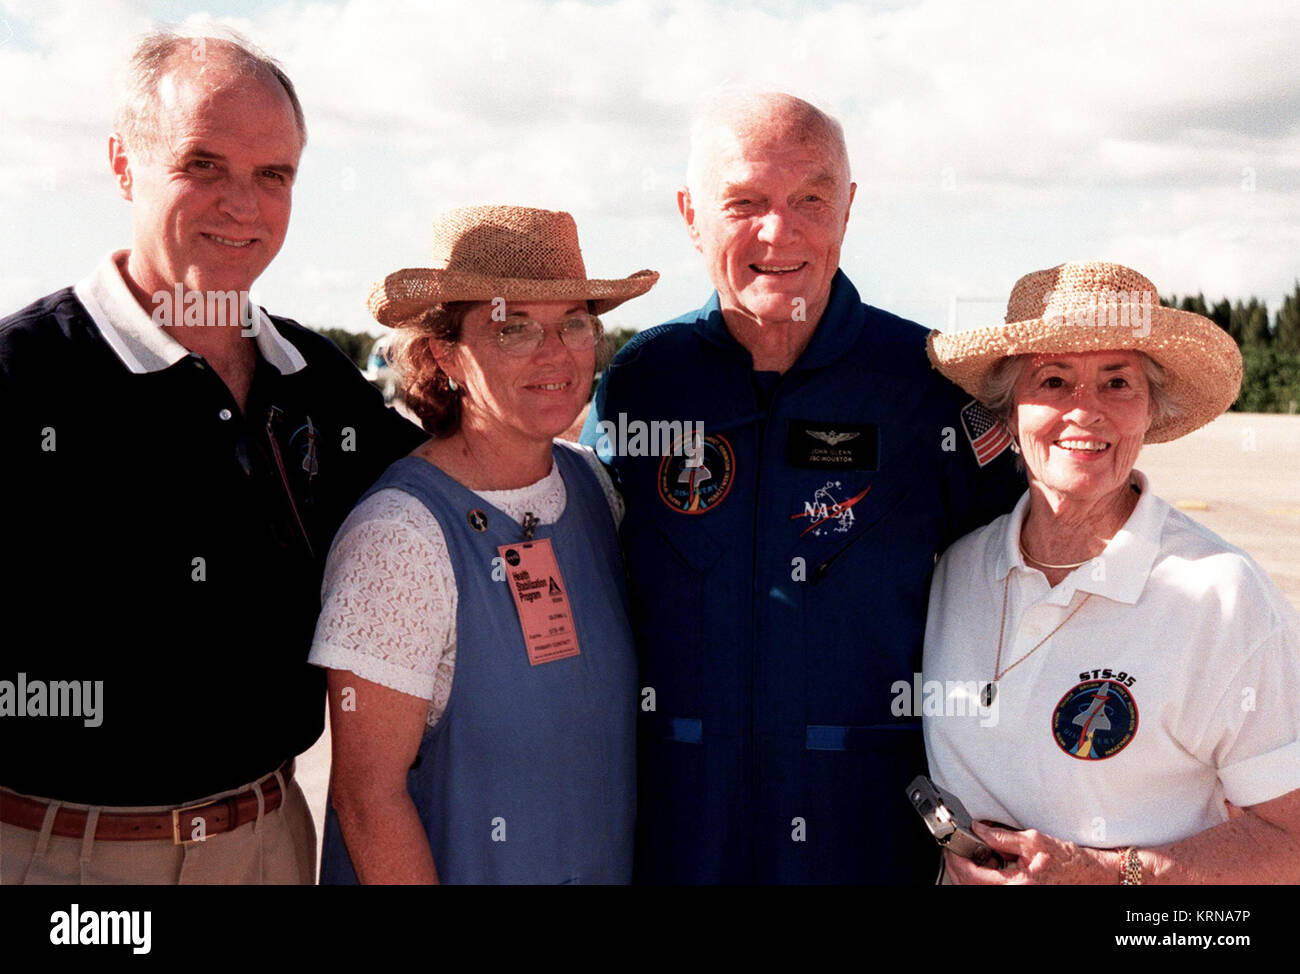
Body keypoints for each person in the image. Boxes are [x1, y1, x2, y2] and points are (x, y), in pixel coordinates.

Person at [0, 29, 425, 885]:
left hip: (273, 843)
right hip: (63, 864)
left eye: (274, 175)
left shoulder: (318, 381)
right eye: (204, 164)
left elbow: (451, 491)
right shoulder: (19, 378)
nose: (244, 204)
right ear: (123, 166)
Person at [580, 91, 1024, 883]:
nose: (778, 233)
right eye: (744, 203)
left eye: (809, 200)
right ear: (690, 214)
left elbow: (1022, 588)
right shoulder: (643, 384)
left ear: (847, 209)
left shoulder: (926, 386)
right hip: (676, 835)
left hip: (866, 838)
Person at [923, 260, 1300, 884]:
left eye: (1117, 382)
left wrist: (1111, 875)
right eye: (1053, 379)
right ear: (1010, 410)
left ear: (1151, 409)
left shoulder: (1223, 596)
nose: (1084, 411)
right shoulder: (955, 572)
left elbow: (1290, 844)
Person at [312, 205, 658, 884]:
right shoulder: (399, 539)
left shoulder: (592, 487)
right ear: (444, 354)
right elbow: (367, 799)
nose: (554, 354)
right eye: (515, 328)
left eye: (574, 324)